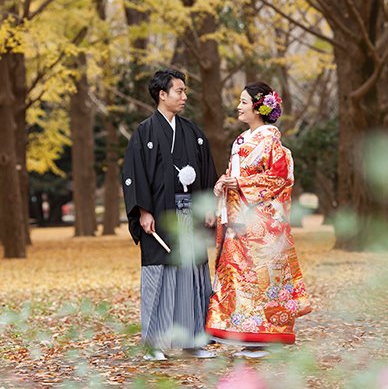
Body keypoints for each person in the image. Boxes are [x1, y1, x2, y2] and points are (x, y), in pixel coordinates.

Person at [205, 82, 312, 358]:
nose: (238, 107)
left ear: (258, 106)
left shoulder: (271, 142)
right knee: (237, 278)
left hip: (262, 224)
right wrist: (224, 183)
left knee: (262, 280)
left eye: (243, 102)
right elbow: (235, 175)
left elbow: (278, 179)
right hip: (239, 221)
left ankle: (264, 337)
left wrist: (238, 181)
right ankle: (247, 335)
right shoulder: (242, 140)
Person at [122, 68, 218, 360]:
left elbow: (206, 171)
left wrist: (208, 207)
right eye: (179, 91)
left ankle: (193, 341)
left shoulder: (193, 132)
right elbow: (132, 174)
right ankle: (154, 344)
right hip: (160, 217)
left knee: (191, 275)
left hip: (189, 214)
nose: (184, 96)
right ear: (162, 95)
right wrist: (143, 211)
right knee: (160, 277)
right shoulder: (145, 132)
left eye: (185, 91)